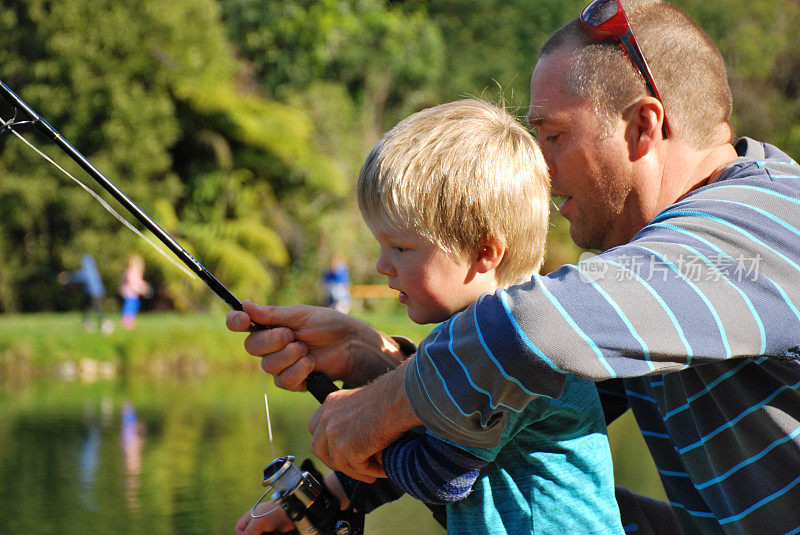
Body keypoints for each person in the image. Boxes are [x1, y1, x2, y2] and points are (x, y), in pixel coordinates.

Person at [228, 1, 800, 533]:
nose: (542, 171)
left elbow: (531, 329)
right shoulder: (673, 277)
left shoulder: (759, 226)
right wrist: (375, 363)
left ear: (642, 129)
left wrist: (382, 404)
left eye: (552, 136)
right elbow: (508, 412)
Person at [235, 100, 623, 534]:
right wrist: (336, 487)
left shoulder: (512, 350)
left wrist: (366, 434)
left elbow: (440, 475)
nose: (383, 265)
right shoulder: (463, 339)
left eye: (400, 248)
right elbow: (431, 436)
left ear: (483, 252)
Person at [58, 254, 114, 334]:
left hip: (93, 294)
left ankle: (104, 324)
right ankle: (89, 324)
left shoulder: (87, 271)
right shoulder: (94, 270)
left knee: (96, 309)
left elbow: (77, 277)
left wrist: (67, 278)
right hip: (97, 293)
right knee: (87, 308)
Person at [119, 254, 151, 329]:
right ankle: (126, 322)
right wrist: (141, 288)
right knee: (129, 307)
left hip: (134, 293)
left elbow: (139, 281)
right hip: (130, 292)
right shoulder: (131, 271)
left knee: (134, 306)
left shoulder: (137, 272)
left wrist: (143, 286)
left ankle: (130, 320)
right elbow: (132, 282)